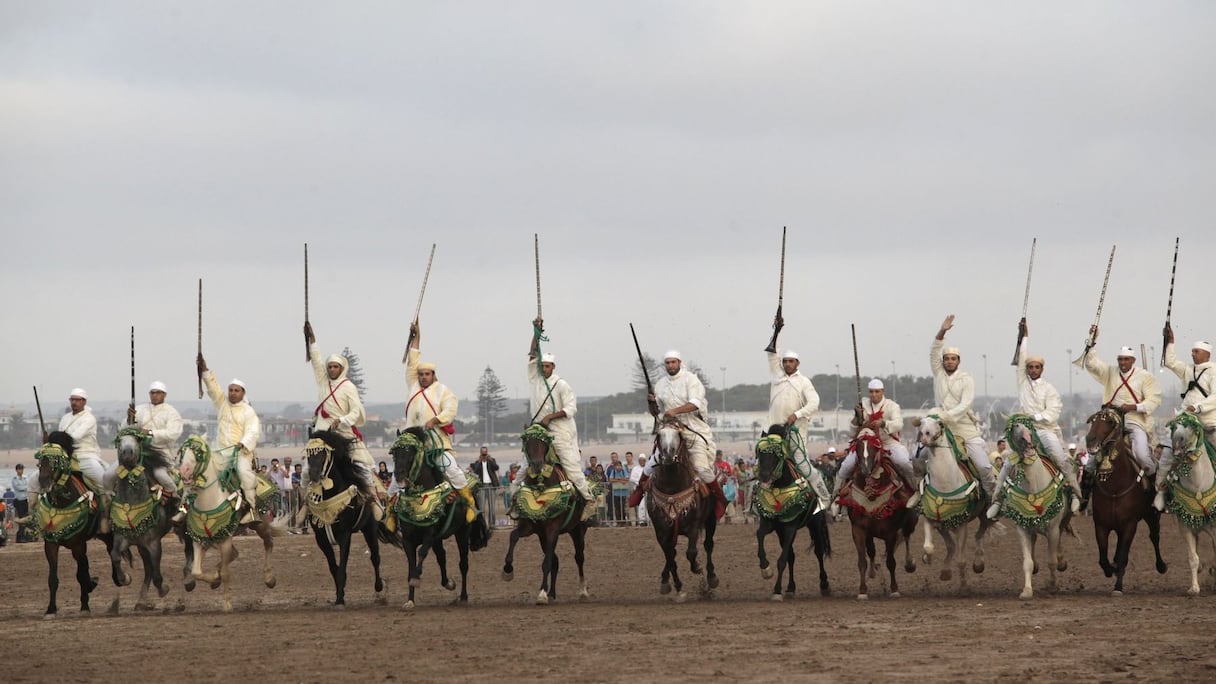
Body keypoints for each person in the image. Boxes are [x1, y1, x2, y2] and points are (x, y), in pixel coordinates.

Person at [990, 325, 1082, 519]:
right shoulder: (1022, 382)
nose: (1032, 369)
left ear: (1042, 369)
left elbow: (1054, 411)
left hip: (1045, 430)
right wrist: (1024, 337)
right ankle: (997, 499)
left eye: (1036, 367)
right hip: (1024, 430)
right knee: (1008, 462)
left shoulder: (1049, 389)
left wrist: (1036, 417)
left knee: (1061, 459)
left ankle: (1075, 493)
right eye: (1030, 367)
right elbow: (1021, 358)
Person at [631, 350, 728, 519]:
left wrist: (674, 411)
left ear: (679, 362)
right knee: (652, 462)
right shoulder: (660, 384)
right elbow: (656, 412)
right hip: (670, 429)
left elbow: (695, 403)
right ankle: (640, 491)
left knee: (701, 468)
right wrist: (651, 403)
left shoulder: (691, 380)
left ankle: (721, 500)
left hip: (693, 429)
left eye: (673, 362)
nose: (670, 366)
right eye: (667, 363)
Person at [403, 321, 479, 524]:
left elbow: (450, 410)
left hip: (436, 442)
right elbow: (413, 360)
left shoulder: (443, 390)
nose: (423, 377)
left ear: (433, 375)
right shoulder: (413, 385)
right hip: (412, 442)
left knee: (451, 468)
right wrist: (416, 337)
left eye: (426, 374)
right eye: (420, 374)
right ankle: (392, 513)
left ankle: (469, 502)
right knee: (398, 477)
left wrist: (435, 419)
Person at [305, 322, 383, 520]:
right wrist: (312, 339)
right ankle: (306, 505)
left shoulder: (349, 387)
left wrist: (341, 420)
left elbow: (357, 411)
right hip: (323, 433)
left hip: (344, 432)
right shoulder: (323, 381)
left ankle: (373, 501)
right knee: (309, 467)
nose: (331, 369)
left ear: (342, 368)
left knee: (363, 466)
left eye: (335, 366)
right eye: (329, 366)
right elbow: (315, 360)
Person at [1079, 325, 1162, 482]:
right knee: (1092, 460)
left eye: (1126, 359)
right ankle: (1084, 494)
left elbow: (1154, 399)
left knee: (1142, 456)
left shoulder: (1145, 376)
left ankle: (1155, 489)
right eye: (1120, 359)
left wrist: (1134, 407)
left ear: (1133, 360)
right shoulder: (1110, 371)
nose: (1122, 362)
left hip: (1134, 421)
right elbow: (1091, 364)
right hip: (1111, 421)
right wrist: (1092, 340)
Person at [765, 329, 834, 509]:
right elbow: (772, 352)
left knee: (804, 468)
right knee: (763, 467)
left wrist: (797, 414)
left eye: (791, 361)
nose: (787, 364)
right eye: (785, 361)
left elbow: (814, 402)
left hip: (795, 434)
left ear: (797, 363)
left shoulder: (804, 382)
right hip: (772, 433)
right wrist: (777, 330)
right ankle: (760, 504)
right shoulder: (776, 375)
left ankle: (824, 497)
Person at [929, 315, 996, 499]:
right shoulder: (938, 373)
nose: (949, 361)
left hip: (965, 430)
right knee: (917, 457)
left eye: (953, 359)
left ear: (958, 361)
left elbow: (965, 404)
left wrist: (945, 415)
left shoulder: (966, 378)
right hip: (941, 430)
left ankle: (992, 497)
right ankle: (920, 495)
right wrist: (942, 331)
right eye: (947, 358)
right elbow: (934, 351)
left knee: (983, 465)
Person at [831, 379, 917, 517]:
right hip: (865, 443)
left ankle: (915, 491)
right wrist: (856, 418)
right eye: (871, 392)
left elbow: (898, 424)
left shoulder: (892, 406)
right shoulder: (862, 405)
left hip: (887, 442)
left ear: (883, 391)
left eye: (877, 392)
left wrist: (883, 423)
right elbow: (852, 433)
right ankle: (835, 497)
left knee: (903, 462)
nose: (874, 395)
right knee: (846, 465)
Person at [1156, 327, 1216, 510]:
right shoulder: (1187, 370)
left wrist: (1198, 407)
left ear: (1206, 354)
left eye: (1196, 352)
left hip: (1208, 423)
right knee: (1167, 452)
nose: (1192, 354)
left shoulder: (1214, 371)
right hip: (1185, 422)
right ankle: (1160, 491)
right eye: (1192, 351)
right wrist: (1170, 342)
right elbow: (1170, 362)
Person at [197, 355, 262, 523]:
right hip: (219, 451)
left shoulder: (248, 411)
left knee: (244, 473)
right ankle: (186, 507)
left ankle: (252, 509)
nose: (233, 393)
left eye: (236, 390)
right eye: (231, 390)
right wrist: (204, 369)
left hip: (240, 453)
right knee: (198, 470)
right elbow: (212, 388)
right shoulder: (222, 404)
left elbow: (253, 431)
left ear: (243, 393)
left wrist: (243, 443)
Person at [470, 446, 500, 524]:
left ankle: (492, 523)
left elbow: (496, 468)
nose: (484, 455)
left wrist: (490, 459)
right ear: (480, 453)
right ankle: (482, 524)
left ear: (487, 452)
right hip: (482, 486)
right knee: (481, 507)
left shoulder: (491, 460)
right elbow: (475, 471)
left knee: (492, 507)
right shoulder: (477, 462)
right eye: (482, 453)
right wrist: (480, 461)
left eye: (485, 453)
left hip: (491, 485)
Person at [604, 452, 629, 523]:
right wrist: (619, 479)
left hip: (623, 492)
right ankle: (618, 521)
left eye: (619, 465)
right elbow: (610, 479)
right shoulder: (612, 470)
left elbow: (627, 479)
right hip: (615, 492)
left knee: (623, 507)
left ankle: (624, 521)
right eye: (616, 466)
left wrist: (619, 479)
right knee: (616, 507)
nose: (618, 467)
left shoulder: (624, 470)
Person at [11, 463, 29, 542]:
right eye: (19, 469)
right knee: (21, 518)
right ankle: (21, 536)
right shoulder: (14, 479)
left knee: (25, 518)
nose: (21, 471)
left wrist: (25, 487)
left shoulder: (25, 478)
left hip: (25, 500)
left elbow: (28, 486)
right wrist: (25, 487)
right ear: (16, 470)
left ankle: (21, 535)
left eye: (22, 469)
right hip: (19, 500)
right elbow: (18, 488)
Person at [629, 454, 649, 525]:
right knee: (641, 506)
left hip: (648, 489)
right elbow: (632, 478)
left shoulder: (647, 468)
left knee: (648, 505)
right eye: (640, 460)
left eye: (643, 460)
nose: (642, 462)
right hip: (639, 489)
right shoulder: (635, 468)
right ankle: (642, 521)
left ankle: (648, 520)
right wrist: (640, 483)